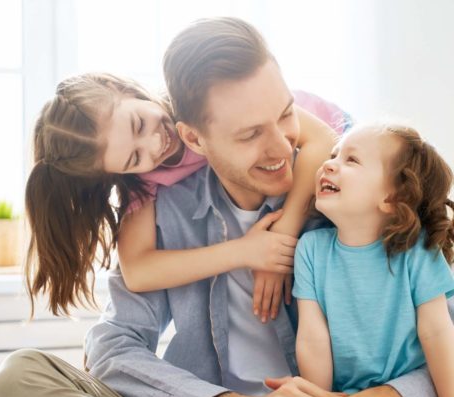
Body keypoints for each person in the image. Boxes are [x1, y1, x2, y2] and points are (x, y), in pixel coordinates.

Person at [0, 17, 454, 397]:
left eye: (286, 114)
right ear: (193, 138)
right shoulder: (156, 207)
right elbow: (114, 345)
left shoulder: (347, 193)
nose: (281, 147)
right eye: (250, 134)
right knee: (19, 379)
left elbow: (442, 330)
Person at [24, 70, 344, 321]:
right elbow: (137, 270)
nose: (154, 145)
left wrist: (280, 244)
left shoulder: (198, 98)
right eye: (134, 158)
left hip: (343, 144)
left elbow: (322, 141)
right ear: (118, 172)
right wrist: (245, 252)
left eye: (138, 124)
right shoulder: (145, 180)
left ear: (117, 87)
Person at [251, 123, 454, 397]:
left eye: (351, 160)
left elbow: (438, 333)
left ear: (393, 197)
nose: (329, 165)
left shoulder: (417, 252)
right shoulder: (312, 250)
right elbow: (313, 339)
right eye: (332, 156)